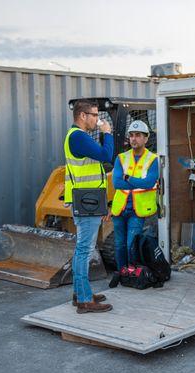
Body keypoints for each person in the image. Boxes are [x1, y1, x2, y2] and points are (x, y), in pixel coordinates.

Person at [64, 99, 114, 313]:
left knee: (82, 249)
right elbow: (105, 155)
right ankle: (84, 300)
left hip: (85, 199)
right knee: (84, 250)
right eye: (94, 115)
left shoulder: (75, 137)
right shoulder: (78, 137)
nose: (98, 119)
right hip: (88, 201)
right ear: (82, 116)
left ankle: (80, 292)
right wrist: (108, 133)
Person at [111, 120, 159, 270]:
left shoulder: (153, 160)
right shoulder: (121, 158)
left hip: (137, 210)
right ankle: (121, 272)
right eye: (131, 135)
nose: (133, 138)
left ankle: (132, 272)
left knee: (131, 243)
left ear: (146, 138)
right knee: (119, 244)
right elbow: (117, 183)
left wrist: (128, 178)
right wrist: (137, 181)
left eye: (138, 135)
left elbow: (149, 183)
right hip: (120, 209)